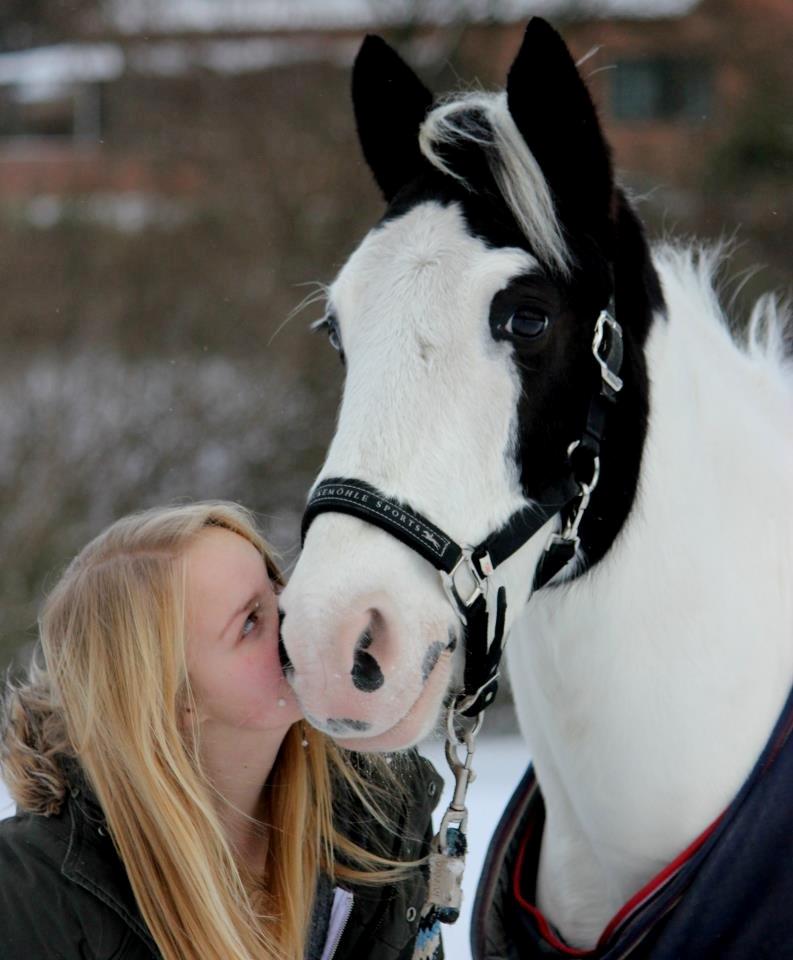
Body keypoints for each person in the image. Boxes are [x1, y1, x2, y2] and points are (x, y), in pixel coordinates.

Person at [0, 502, 443, 960]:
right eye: (251, 621)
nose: (299, 612)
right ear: (174, 701)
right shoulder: (34, 900)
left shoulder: (378, 811)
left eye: (276, 582)